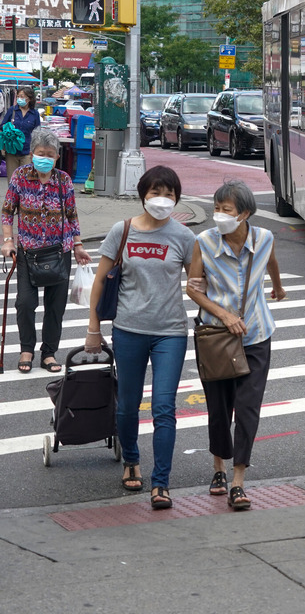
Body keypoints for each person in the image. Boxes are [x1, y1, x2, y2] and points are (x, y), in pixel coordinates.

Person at [85, 166, 195, 510]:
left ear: (176, 198)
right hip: (129, 329)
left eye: (169, 194)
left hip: (171, 333)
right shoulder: (123, 231)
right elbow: (100, 280)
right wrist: (93, 327)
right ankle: (131, 459)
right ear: (143, 195)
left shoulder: (184, 237)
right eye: (155, 193)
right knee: (129, 404)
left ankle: (161, 482)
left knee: (164, 407)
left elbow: (198, 283)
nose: (162, 200)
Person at [186, 180, 286, 511]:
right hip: (216, 337)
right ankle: (218, 469)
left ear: (243, 214)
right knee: (219, 407)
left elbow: (269, 260)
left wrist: (277, 286)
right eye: (216, 208)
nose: (218, 215)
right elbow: (194, 290)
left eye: (225, 210)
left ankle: (239, 480)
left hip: (256, 335)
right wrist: (224, 315)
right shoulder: (204, 242)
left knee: (247, 408)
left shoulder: (264, 237)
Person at [1, 127, 91, 373]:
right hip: (28, 253)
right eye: (41, 153)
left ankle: (49, 353)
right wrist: (7, 240)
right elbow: (7, 211)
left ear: (57, 157)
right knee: (25, 303)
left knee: (55, 306)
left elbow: (72, 217)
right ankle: (26, 349)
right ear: (32, 153)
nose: (45, 158)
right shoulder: (20, 176)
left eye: (50, 154)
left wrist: (78, 246)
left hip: (58, 252)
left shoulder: (64, 181)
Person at [1, 86, 41, 176]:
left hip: (27, 151)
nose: (19, 99)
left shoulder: (34, 114)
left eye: (22, 97)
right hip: (11, 151)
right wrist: (9, 129)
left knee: (25, 179)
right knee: (12, 179)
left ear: (29, 99)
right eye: (18, 96)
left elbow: (38, 133)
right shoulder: (12, 110)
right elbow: (2, 125)